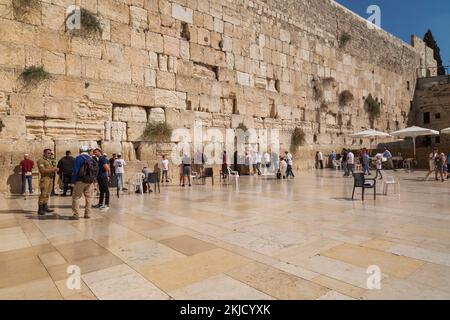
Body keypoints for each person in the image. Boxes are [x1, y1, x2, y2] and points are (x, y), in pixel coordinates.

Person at [71, 146, 98, 219]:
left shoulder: (79, 158)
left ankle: (76, 214)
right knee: (89, 198)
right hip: (89, 181)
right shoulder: (91, 158)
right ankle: (87, 214)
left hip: (80, 180)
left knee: (76, 197)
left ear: (80, 150)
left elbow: (75, 170)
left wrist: (73, 181)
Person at [37, 149, 59, 215]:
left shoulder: (49, 161)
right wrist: (53, 170)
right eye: (48, 153)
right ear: (44, 153)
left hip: (50, 178)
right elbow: (42, 170)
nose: (49, 154)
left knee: (48, 193)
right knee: (43, 193)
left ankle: (45, 206)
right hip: (45, 178)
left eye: (50, 153)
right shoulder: (41, 161)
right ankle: (40, 208)